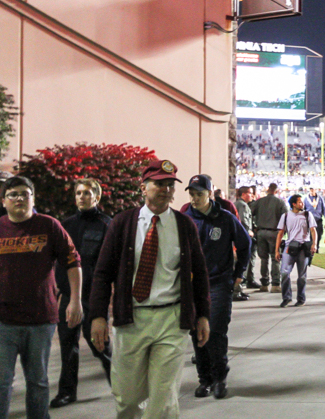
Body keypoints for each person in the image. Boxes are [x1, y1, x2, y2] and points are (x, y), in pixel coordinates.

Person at [90, 159, 211, 419]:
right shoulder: (122, 224)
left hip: (171, 319)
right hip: (131, 319)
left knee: (163, 400)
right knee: (127, 398)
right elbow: (102, 273)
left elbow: (199, 274)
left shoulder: (184, 225)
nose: (166, 189)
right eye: (159, 184)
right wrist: (98, 315)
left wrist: (203, 315)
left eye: (170, 185)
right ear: (143, 187)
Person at [0, 176, 83, 419]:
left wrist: (75, 300)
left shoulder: (49, 225)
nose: (19, 198)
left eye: (25, 193)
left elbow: (73, 262)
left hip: (40, 320)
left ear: (33, 198)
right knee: (2, 383)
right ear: (3, 200)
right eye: (13, 194)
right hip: (3, 321)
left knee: (38, 382)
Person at [183, 174, 250, 400]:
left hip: (219, 284)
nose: (194, 199)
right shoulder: (184, 219)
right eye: (191, 194)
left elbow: (245, 245)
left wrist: (238, 274)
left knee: (216, 333)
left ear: (210, 194)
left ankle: (220, 378)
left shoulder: (225, 218)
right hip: (192, 287)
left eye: (199, 194)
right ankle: (205, 380)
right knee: (196, 335)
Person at [52, 178, 112, 409]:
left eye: (87, 193)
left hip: (93, 297)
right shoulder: (65, 225)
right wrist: (60, 291)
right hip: (68, 298)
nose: (81, 197)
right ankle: (67, 392)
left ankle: (121, 386)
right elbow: (59, 261)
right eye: (78, 193)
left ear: (97, 197)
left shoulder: (107, 225)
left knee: (100, 346)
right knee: (68, 346)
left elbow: (110, 265)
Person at [274, 195, 317, 308]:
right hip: (290, 247)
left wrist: (314, 244)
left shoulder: (307, 215)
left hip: (303, 248)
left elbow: (313, 230)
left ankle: (301, 298)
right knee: (284, 273)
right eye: (300, 202)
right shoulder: (286, 216)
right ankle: (287, 298)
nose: (302, 204)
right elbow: (280, 233)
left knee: (302, 276)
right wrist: (276, 251)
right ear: (294, 204)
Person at [252, 183, 288, 293]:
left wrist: (254, 228)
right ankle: (275, 284)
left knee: (264, 259)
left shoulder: (259, 201)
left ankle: (264, 284)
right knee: (275, 258)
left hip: (261, 231)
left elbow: (250, 213)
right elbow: (286, 218)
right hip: (274, 233)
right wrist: (283, 232)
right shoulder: (280, 202)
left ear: (268, 190)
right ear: (276, 191)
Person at [235, 186, 261, 290]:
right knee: (246, 260)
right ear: (243, 194)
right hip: (245, 236)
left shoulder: (237, 203)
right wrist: (249, 231)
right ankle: (242, 283)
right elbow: (244, 220)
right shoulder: (243, 205)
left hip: (239, 236)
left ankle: (247, 280)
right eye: (250, 193)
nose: (252, 195)